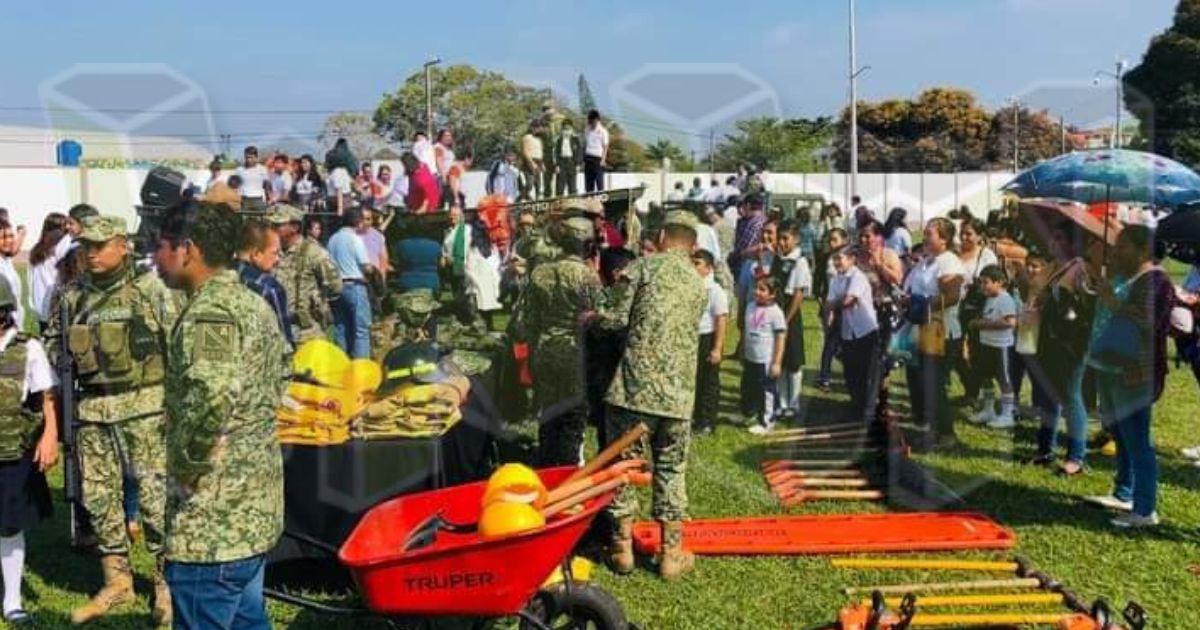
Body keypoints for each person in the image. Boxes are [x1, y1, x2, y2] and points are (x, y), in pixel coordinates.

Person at [154, 201, 286, 629]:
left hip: (212, 528)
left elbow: (212, 396)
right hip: (249, 513)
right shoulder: (251, 303)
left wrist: (185, 470)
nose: (155, 258)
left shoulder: (213, 312)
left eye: (161, 247)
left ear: (186, 249)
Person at [47, 215, 177, 626]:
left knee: (156, 504)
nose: (91, 253)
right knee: (100, 502)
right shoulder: (71, 297)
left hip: (147, 410)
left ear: (124, 246)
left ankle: (164, 585)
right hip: (93, 412)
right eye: (85, 246)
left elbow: (178, 345)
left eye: (100, 245)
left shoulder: (151, 290)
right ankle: (117, 582)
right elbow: (53, 341)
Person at [593, 210, 706, 581]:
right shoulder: (699, 282)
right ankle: (671, 553)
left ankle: (622, 547)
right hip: (678, 397)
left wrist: (593, 315)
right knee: (672, 469)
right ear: (693, 246)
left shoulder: (643, 267)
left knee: (623, 468)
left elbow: (614, 318)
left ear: (660, 237)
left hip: (633, 391)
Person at [1083, 224, 1171, 528]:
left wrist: (1112, 300)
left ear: (1143, 249)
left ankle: (1145, 510)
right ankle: (1124, 492)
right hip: (1108, 366)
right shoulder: (1122, 275)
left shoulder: (1155, 281)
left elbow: (1148, 324)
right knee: (1119, 433)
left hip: (1134, 372)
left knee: (1137, 438)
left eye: (1123, 245)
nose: (1116, 250)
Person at [520, 213, 603, 466]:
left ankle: (545, 468)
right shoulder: (588, 277)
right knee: (573, 419)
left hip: (544, 349)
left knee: (549, 415)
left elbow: (530, 321)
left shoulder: (540, 273)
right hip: (573, 352)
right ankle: (566, 475)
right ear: (587, 244)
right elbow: (598, 318)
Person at [0, 275, 58, 627]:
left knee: (8, 525)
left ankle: (12, 600)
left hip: (11, 450)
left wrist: (49, 436)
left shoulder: (27, 348)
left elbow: (47, 395)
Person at [1033, 229, 1097, 476]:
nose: (1053, 241)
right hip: (1049, 339)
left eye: (1060, 237)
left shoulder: (1080, 267)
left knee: (1071, 397)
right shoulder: (1052, 267)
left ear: (1072, 243)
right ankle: (1045, 449)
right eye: (1053, 237)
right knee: (1048, 396)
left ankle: (1076, 456)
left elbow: (1087, 305)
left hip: (1071, 343)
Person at [903, 218, 966, 451]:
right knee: (921, 383)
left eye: (930, 234)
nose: (925, 238)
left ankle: (947, 434)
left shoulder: (949, 262)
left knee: (934, 384)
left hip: (942, 332)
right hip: (922, 331)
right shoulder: (927, 262)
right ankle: (933, 430)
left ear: (944, 239)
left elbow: (952, 296)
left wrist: (921, 303)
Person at [268, 204, 342, 344]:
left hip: (306, 332)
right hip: (277, 330)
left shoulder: (313, 253)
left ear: (294, 227)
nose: (272, 229)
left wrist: (317, 300)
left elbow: (335, 286)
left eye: (278, 225)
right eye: (270, 225)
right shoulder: (271, 251)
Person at [827, 246, 879, 424]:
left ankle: (868, 411)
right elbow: (829, 304)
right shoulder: (836, 280)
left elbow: (848, 301)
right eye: (834, 259)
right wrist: (833, 306)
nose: (836, 263)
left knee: (865, 374)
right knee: (851, 373)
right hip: (847, 332)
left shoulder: (858, 277)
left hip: (865, 331)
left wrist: (834, 304)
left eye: (839, 258)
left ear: (852, 259)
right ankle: (856, 408)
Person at [956, 218, 1000, 410]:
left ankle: (976, 394)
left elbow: (992, 283)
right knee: (956, 351)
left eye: (969, 234)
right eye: (962, 233)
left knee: (976, 351)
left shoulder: (986, 255)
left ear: (979, 236)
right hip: (956, 308)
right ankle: (970, 389)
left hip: (977, 308)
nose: (964, 237)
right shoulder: (955, 254)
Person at [968, 265, 1018, 428]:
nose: (983, 287)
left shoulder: (1005, 299)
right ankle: (988, 409)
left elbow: (1010, 322)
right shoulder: (989, 298)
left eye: (986, 283)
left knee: (1004, 379)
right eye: (981, 283)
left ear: (999, 283)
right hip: (986, 344)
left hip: (1001, 346)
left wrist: (983, 324)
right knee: (985, 376)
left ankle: (1007, 414)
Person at [772, 220, 812, 419]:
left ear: (796, 239)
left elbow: (798, 294)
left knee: (793, 360)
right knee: (779, 358)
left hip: (790, 315)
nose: (781, 242)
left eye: (785, 238)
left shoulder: (800, 262)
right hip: (775, 310)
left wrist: (786, 320)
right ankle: (782, 402)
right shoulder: (777, 259)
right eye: (779, 238)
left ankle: (794, 403)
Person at [236, 219, 294, 350]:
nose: (278, 259)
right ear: (256, 254)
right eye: (275, 253)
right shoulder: (270, 288)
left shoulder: (218, 277)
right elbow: (284, 339)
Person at [327, 208, 376, 359]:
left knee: (341, 327)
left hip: (336, 286)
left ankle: (341, 362)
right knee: (361, 328)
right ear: (358, 222)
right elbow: (366, 266)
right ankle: (361, 365)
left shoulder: (332, 239)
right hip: (354, 285)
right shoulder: (355, 239)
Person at [741, 276, 787, 435]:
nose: (757, 292)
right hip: (750, 356)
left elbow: (781, 338)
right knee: (750, 387)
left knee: (766, 390)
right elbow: (747, 330)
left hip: (765, 358)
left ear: (772, 294)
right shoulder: (750, 306)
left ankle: (767, 421)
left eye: (762, 289)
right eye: (756, 288)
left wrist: (777, 362)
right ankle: (750, 414)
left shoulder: (776, 313)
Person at [691, 249, 729, 436]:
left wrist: (717, 348)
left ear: (709, 268)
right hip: (692, 338)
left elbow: (721, 319)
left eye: (697, 263)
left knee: (708, 382)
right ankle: (696, 417)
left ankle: (707, 421)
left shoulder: (715, 290)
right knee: (695, 380)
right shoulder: (692, 286)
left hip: (708, 337)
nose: (693, 267)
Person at [816, 228, 849, 390]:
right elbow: (819, 280)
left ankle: (849, 371)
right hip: (829, 304)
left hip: (847, 304)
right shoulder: (824, 258)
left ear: (844, 240)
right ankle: (824, 376)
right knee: (830, 342)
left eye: (835, 239)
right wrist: (821, 299)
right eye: (829, 240)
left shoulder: (850, 258)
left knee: (845, 341)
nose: (831, 243)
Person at [28, 212, 70, 334]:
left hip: (41, 310)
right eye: (63, 228)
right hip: (54, 310)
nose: (65, 233)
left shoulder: (36, 250)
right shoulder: (58, 249)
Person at [441, 205, 472, 299]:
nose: (452, 217)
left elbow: (467, 247)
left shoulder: (467, 229)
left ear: (461, 216)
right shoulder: (448, 231)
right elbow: (444, 248)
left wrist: (455, 259)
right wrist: (443, 257)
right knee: (456, 291)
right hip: (451, 266)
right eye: (450, 215)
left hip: (463, 265)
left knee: (464, 291)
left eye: (455, 215)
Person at [0, 222, 23, 331]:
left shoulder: (7, 260)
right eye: (3, 237)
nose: (8, 241)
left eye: (11, 236)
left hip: (14, 326)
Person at [236, 146, 269, 212]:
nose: (248, 160)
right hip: (245, 200)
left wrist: (268, 198)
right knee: (245, 220)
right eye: (246, 157)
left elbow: (266, 185)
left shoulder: (262, 169)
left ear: (256, 158)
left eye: (251, 157)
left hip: (258, 199)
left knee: (260, 220)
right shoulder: (239, 170)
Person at [583, 110, 609, 193]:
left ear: (597, 120)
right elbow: (585, 143)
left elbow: (605, 146)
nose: (591, 123)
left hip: (598, 159)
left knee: (599, 183)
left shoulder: (603, 131)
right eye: (590, 121)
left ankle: (601, 203)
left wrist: (603, 160)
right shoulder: (587, 129)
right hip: (588, 158)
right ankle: (589, 201)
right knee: (588, 184)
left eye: (593, 121)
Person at [555, 119, 582, 196]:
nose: (566, 131)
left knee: (572, 187)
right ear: (562, 129)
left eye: (568, 129)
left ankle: (572, 205)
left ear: (571, 129)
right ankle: (559, 205)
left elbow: (579, 152)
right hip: (561, 164)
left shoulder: (576, 139)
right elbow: (555, 153)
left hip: (572, 163)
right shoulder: (558, 140)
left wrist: (578, 164)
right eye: (565, 129)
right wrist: (557, 165)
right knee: (560, 187)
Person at [520, 122, 546, 201]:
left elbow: (540, 151)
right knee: (530, 183)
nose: (538, 130)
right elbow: (524, 151)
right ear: (532, 128)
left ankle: (538, 199)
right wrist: (531, 162)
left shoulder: (539, 139)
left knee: (538, 183)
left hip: (538, 161)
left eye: (539, 128)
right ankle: (523, 197)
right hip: (529, 160)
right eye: (536, 128)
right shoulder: (527, 137)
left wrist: (542, 163)